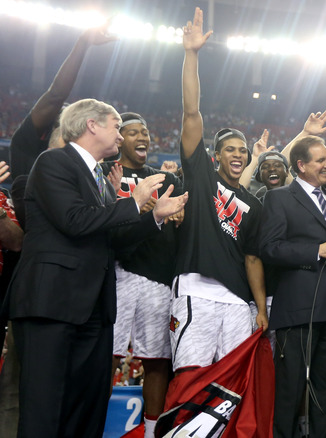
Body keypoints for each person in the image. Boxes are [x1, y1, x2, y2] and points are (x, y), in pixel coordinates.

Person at [7, 98, 187, 438]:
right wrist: (133, 202)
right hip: (53, 305)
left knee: (87, 407)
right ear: (92, 125)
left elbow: (111, 238)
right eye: (117, 126)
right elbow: (74, 221)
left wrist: (154, 217)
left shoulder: (98, 178)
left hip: (93, 309)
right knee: (45, 408)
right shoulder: (53, 162)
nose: (120, 136)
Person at [172, 7, 267, 374]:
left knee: (232, 382)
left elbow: (253, 259)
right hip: (196, 289)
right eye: (230, 148)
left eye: (243, 150)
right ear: (215, 156)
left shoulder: (253, 205)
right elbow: (192, 113)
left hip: (238, 300)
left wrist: (259, 307)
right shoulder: (201, 177)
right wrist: (191, 54)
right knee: (191, 374)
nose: (239, 154)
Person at [259, 134, 326, 438]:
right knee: (290, 388)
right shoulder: (279, 198)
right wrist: (316, 251)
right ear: (301, 165)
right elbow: (269, 248)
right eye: (321, 160)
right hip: (299, 309)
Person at [109, 111, 183, 437]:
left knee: (156, 360)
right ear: (119, 138)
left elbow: (183, 220)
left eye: (146, 132)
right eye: (135, 132)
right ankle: (88, 421)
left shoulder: (167, 180)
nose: (144, 138)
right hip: (114, 273)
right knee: (106, 355)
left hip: (158, 277)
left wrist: (182, 216)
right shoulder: (103, 173)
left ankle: (152, 431)